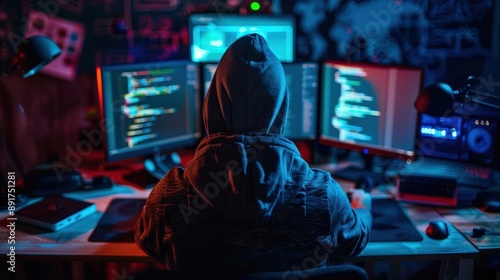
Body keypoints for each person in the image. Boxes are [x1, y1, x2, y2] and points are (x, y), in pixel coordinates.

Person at [134, 33, 372, 273]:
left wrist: (150, 209)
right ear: (280, 107)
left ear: (213, 103)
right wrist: (362, 208)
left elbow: (148, 243)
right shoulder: (323, 194)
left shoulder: (170, 194)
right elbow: (355, 243)